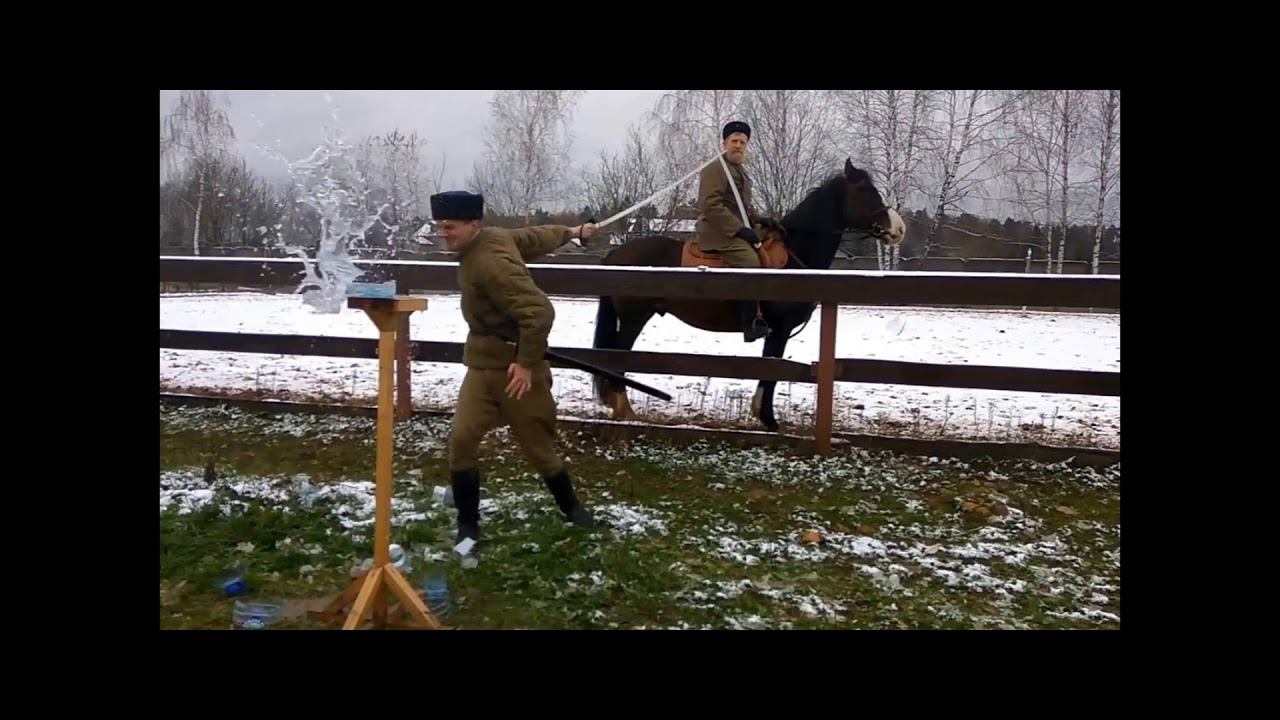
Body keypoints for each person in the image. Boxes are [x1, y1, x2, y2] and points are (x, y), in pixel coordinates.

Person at [430, 190, 598, 545]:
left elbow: (538, 313)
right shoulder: (492, 238)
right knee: (462, 440)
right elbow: (535, 237)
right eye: (440, 226)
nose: (443, 233)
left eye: (450, 226)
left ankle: (573, 510)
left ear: (473, 224)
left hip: (515, 373)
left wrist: (525, 363)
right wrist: (572, 232)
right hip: (481, 367)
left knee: (539, 447)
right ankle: (468, 526)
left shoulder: (491, 262)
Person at [693, 120, 781, 342]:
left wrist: (761, 220)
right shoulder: (716, 168)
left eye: (743, 142)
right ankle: (750, 321)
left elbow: (743, 207)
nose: (739, 145)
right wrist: (740, 230)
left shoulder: (740, 171)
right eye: (734, 141)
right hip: (718, 232)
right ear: (724, 143)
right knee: (751, 261)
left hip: (736, 228)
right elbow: (710, 204)